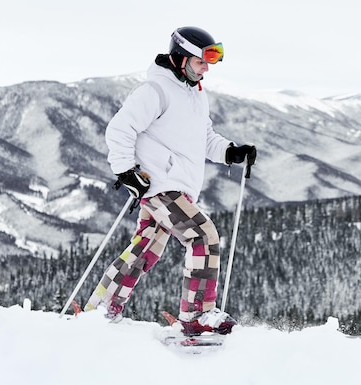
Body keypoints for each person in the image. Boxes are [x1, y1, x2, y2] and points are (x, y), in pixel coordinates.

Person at [84, 26, 257, 336]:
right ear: (181, 58)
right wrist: (126, 173)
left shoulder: (195, 94)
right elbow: (119, 129)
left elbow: (204, 139)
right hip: (160, 184)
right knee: (203, 236)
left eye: (210, 61)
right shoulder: (155, 91)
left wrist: (230, 152)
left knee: (145, 247)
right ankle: (197, 315)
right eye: (201, 61)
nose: (207, 68)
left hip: (177, 185)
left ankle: (101, 308)